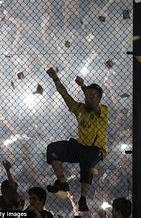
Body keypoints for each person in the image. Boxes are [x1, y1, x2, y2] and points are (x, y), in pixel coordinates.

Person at [45, 67, 108, 212]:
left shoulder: (103, 110)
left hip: (95, 150)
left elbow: (94, 106)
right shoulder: (79, 108)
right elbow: (64, 94)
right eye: (88, 95)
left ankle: (83, 199)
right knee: (52, 149)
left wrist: (84, 87)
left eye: (94, 95)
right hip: (79, 146)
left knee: (87, 161)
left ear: (99, 98)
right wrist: (55, 78)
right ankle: (62, 183)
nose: (90, 97)